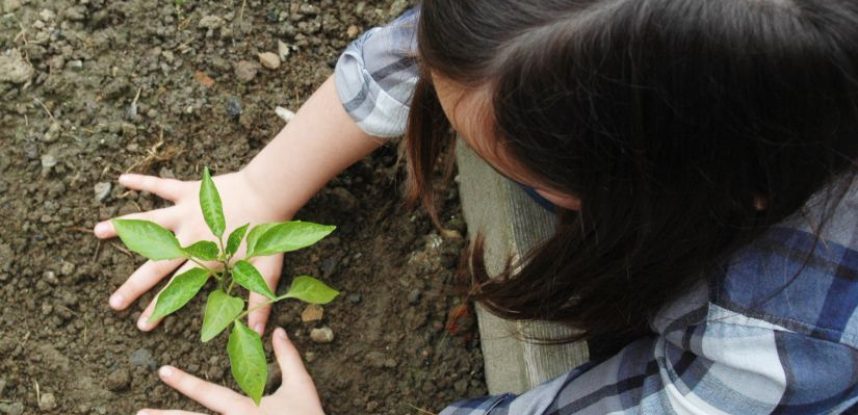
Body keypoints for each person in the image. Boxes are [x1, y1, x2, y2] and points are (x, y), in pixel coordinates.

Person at [94, 0, 858, 414]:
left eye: (497, 156)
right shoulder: (596, 34)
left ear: (662, 193)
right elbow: (449, 43)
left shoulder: (787, 341)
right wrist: (262, 188)